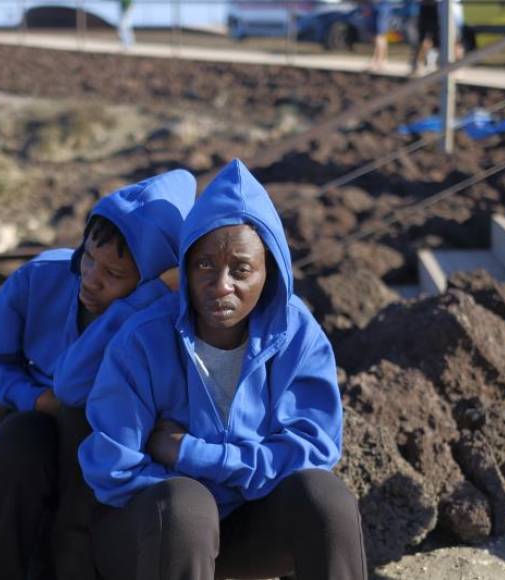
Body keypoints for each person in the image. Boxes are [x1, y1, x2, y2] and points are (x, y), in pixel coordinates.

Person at [79, 159, 367, 580]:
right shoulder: (142, 341)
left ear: (270, 272)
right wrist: (204, 493)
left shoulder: (296, 333)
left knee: (325, 498)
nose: (221, 286)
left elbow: (314, 449)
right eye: (204, 266)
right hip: (151, 536)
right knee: (186, 508)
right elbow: (113, 468)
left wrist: (196, 455)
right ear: (186, 267)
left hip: (246, 529)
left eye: (241, 270)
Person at [0, 168, 196, 580]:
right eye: (89, 256)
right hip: (39, 426)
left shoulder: (164, 314)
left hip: (119, 450)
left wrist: (134, 306)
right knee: (19, 440)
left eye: (113, 274)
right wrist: (35, 399)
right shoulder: (39, 278)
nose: (90, 278)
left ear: (149, 276)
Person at [369, 0, 393, 71]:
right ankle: (380, 60)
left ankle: (379, 61)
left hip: (381, 7)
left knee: (379, 37)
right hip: (380, 7)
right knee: (381, 37)